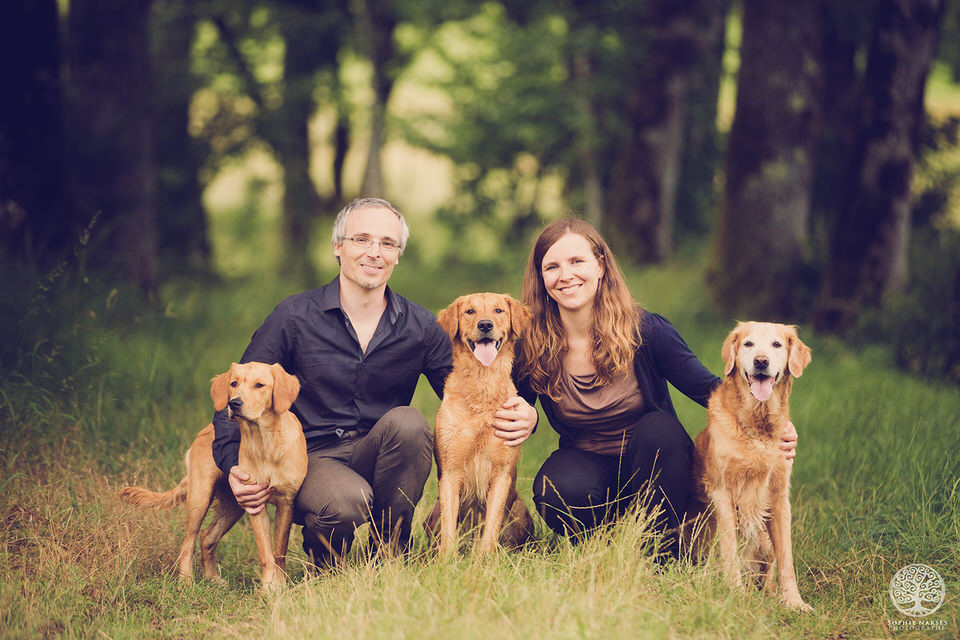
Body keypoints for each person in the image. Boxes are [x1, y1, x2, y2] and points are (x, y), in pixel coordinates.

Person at [499, 218, 798, 557]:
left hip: (658, 467)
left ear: (600, 266)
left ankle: (661, 550)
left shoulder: (646, 330)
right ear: (541, 278)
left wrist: (770, 427)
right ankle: (604, 548)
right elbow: (516, 404)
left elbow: (711, 390)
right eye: (551, 266)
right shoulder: (533, 343)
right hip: (589, 465)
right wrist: (528, 417)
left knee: (659, 429)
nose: (565, 275)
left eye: (576, 261)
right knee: (555, 487)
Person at [211, 197, 473, 568]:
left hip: (379, 450)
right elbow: (233, 393)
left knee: (411, 423)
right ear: (338, 246)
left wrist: (522, 410)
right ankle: (326, 556)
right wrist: (230, 466)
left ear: (398, 254)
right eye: (361, 240)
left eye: (387, 243)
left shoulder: (421, 326)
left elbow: (463, 393)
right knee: (346, 501)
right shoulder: (294, 316)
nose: (374, 253)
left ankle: (391, 550)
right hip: (311, 456)